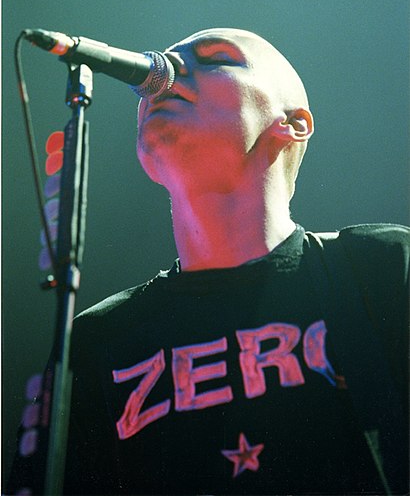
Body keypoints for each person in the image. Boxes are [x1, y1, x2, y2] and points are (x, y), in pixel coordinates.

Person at [10, 29, 409, 495]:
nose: (164, 74)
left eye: (215, 58)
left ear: (292, 123)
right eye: (166, 60)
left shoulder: (379, 268)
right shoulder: (97, 339)